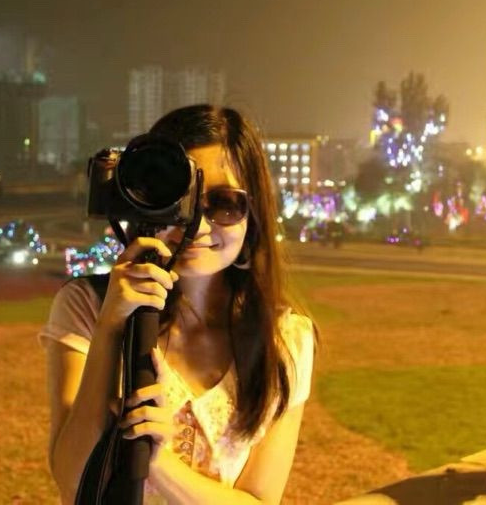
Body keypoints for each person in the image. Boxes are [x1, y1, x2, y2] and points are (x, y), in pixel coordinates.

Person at [40, 105, 315, 504]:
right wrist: (111, 327)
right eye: (180, 200)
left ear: (253, 214)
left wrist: (158, 462)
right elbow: (71, 480)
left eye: (224, 203)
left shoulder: (285, 338)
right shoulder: (87, 306)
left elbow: (259, 500)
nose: (198, 225)